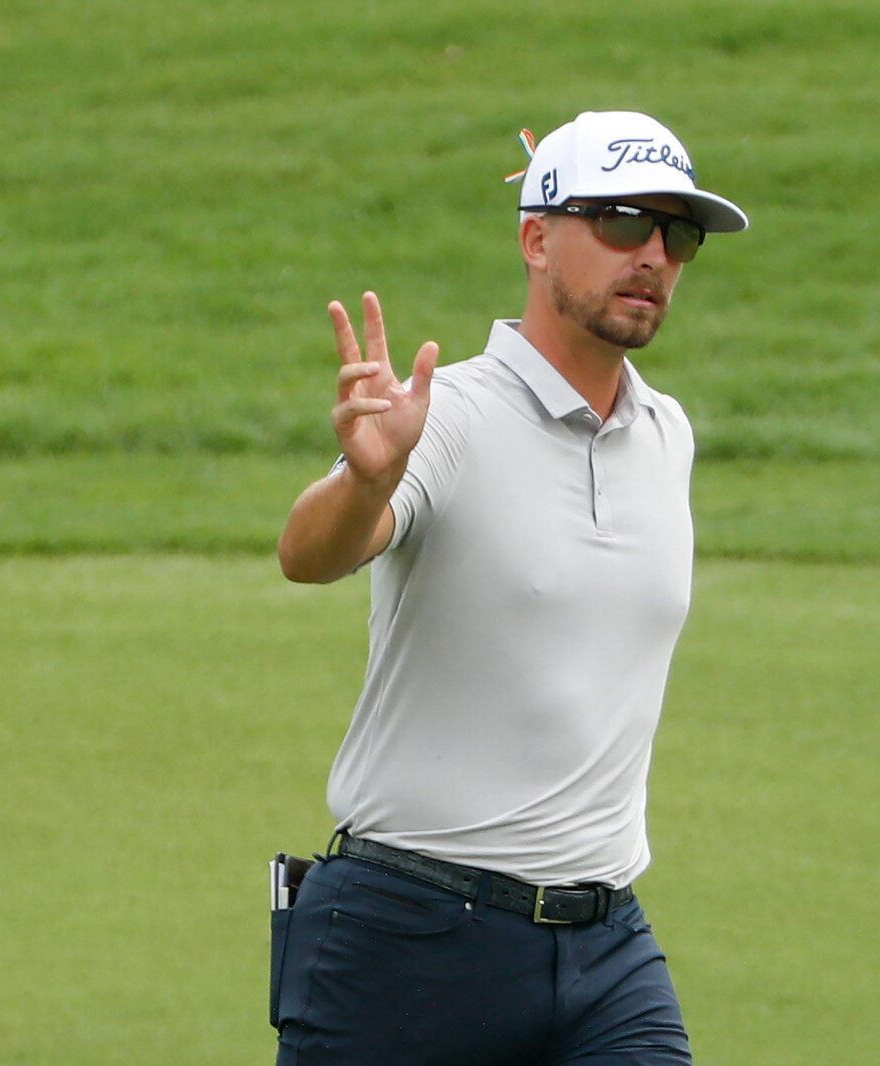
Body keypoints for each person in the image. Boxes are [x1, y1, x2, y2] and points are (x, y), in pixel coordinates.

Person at [271, 110, 748, 1066]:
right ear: (536, 238)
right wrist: (367, 477)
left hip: (609, 944)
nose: (653, 254)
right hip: (408, 936)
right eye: (621, 222)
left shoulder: (669, 435)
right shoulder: (450, 417)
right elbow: (311, 552)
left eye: (678, 233)